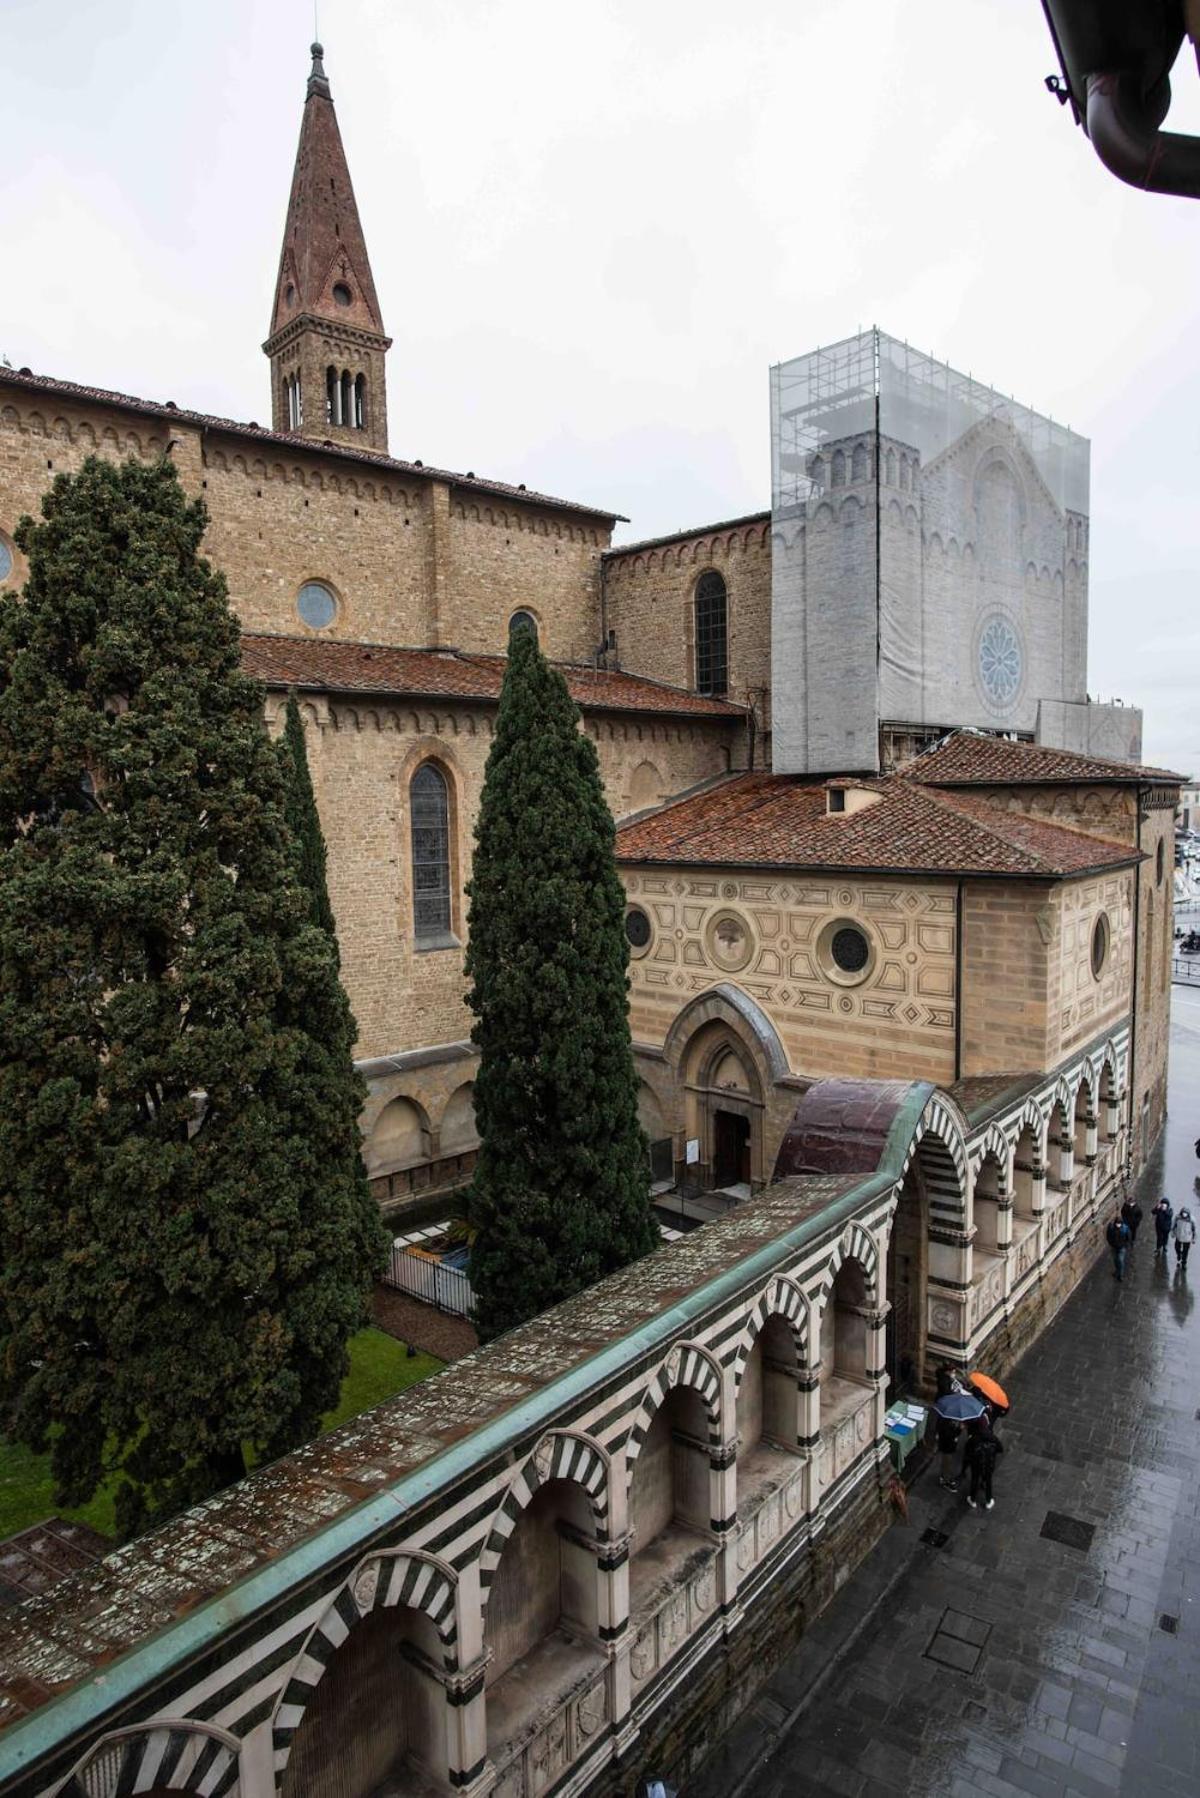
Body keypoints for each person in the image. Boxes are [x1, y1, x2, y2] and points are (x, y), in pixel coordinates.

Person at [963, 1413, 1003, 1510]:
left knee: (975, 1480)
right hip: (989, 1463)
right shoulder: (993, 1437)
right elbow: (1000, 1449)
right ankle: (989, 1499)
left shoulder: (974, 1438)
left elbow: (967, 1450)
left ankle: (972, 1499)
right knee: (988, 1480)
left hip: (977, 1463)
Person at [932, 1366, 961, 1490]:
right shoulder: (947, 1415)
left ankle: (945, 1477)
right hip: (948, 1439)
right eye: (952, 1371)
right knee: (947, 1459)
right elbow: (949, 1431)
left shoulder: (944, 1386)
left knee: (947, 1459)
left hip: (946, 1434)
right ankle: (945, 1479)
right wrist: (959, 1430)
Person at [1106, 1211, 1130, 1281]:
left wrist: (1125, 1245)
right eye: (1117, 1224)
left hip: (1121, 1247)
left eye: (1119, 1224)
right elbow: (1108, 1236)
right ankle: (1117, 1271)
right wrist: (1110, 1243)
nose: (1118, 1225)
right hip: (1114, 1246)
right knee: (1115, 1260)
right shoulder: (1111, 1227)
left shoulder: (1125, 1229)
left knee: (1120, 1260)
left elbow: (1128, 1238)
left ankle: (1120, 1275)